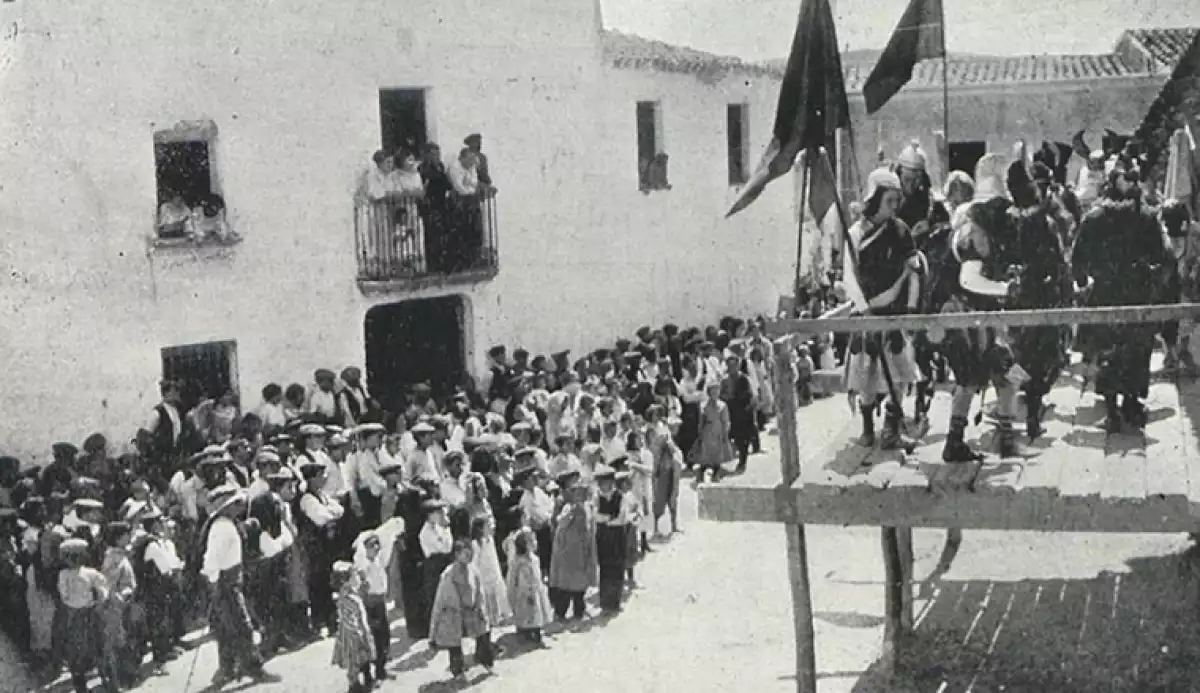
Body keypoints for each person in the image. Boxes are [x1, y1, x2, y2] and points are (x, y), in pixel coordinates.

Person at [1072, 156, 1173, 432]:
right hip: (1135, 291)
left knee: (1113, 349)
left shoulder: (1095, 217)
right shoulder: (1145, 216)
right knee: (1132, 349)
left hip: (1109, 291)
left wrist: (1083, 281)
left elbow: (1078, 257)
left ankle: (1117, 408)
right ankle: (1126, 404)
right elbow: (1163, 256)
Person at [842, 166, 924, 451]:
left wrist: (911, 308)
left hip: (894, 314)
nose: (894, 206)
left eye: (896, 201)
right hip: (866, 315)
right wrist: (863, 309)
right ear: (875, 198)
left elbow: (913, 269)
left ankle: (891, 428)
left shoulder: (900, 231)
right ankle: (867, 428)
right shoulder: (854, 234)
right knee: (866, 375)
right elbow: (848, 276)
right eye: (889, 200)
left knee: (900, 375)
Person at [200, 485, 279, 689]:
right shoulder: (222, 527)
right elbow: (211, 559)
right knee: (242, 625)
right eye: (235, 504)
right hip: (225, 583)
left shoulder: (229, 523)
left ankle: (227, 669)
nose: (240, 506)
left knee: (226, 628)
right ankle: (253, 667)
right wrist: (214, 584)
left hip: (230, 579)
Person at [430, 539, 497, 681]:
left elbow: (480, 592)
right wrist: (433, 631)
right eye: (465, 554)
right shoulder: (448, 574)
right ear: (457, 554)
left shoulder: (474, 570)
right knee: (454, 645)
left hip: (472, 609)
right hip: (455, 613)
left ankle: (487, 662)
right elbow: (440, 601)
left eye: (470, 553)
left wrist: (481, 608)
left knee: (484, 634)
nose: (469, 556)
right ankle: (458, 671)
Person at [57, 537, 107, 693]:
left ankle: (82, 686)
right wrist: (97, 601)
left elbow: (63, 595)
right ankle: (101, 681)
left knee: (77, 650)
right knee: (93, 646)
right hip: (87, 613)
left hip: (74, 614)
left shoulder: (64, 575)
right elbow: (103, 591)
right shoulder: (90, 573)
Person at [331, 562, 376, 693]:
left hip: (354, 632)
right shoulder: (349, 598)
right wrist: (360, 632)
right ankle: (354, 685)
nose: (357, 578)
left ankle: (359, 681)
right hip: (354, 634)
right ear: (347, 580)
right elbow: (351, 619)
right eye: (354, 576)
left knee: (358, 658)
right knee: (354, 659)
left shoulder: (347, 594)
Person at [506, 527, 553, 648]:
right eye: (531, 541)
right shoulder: (519, 562)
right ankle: (524, 630)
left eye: (534, 540)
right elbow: (516, 579)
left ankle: (536, 631)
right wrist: (523, 591)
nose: (535, 543)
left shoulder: (534, 559)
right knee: (525, 611)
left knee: (537, 611)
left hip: (536, 589)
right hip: (524, 592)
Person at [592, 464, 627, 614]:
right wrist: (608, 518)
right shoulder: (597, 497)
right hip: (603, 536)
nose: (602, 485)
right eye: (600, 482)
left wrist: (606, 520)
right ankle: (605, 601)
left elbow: (622, 518)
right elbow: (595, 515)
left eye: (605, 482)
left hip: (617, 535)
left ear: (611, 482)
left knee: (617, 567)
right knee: (605, 567)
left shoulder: (620, 496)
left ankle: (615, 601)